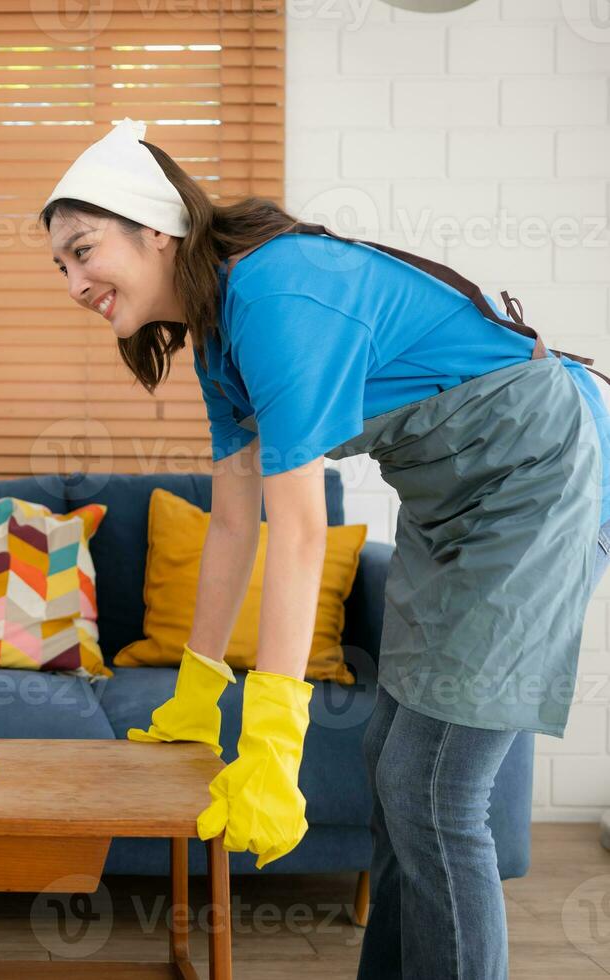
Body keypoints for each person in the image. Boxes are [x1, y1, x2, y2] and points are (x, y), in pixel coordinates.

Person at [42, 119, 610, 980]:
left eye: (85, 252)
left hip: (535, 478)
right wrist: (199, 688)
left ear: (154, 228)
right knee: (395, 770)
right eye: (63, 266)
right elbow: (235, 523)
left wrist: (272, 740)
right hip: (454, 497)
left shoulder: (274, 295)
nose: (75, 282)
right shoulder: (219, 333)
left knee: (436, 788)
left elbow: (299, 530)